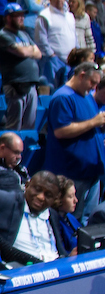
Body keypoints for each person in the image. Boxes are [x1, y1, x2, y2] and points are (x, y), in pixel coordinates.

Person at [43, 61, 105, 218]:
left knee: (89, 218)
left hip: (91, 171)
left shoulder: (86, 97)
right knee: (73, 218)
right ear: (81, 75)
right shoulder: (63, 97)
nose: (93, 88)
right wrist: (94, 122)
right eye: (92, 82)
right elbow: (61, 131)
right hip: (72, 172)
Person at [0, 171, 61, 263]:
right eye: (37, 189)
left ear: (54, 199)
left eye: (48, 195)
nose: (41, 197)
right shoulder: (4, 201)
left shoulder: (52, 215)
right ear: (27, 185)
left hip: (56, 268)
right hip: (23, 267)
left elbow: (60, 249)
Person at [0, 2, 42, 129]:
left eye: (22, 15)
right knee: (14, 126)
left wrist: (27, 50)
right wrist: (29, 50)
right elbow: (21, 52)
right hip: (15, 85)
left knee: (29, 125)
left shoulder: (24, 34)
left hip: (31, 84)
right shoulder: (3, 35)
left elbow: (39, 54)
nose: (22, 18)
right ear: (8, 18)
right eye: (18, 16)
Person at [34, 0, 76, 88]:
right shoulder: (45, 15)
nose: (59, 0)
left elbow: (74, 35)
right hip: (53, 61)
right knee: (52, 89)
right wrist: (51, 55)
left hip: (70, 61)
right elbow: (40, 38)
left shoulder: (70, 16)